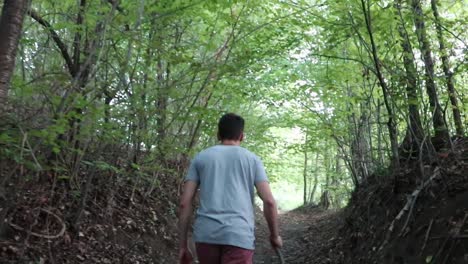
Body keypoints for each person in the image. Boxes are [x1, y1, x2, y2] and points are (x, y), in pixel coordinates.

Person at [178, 113, 282, 264]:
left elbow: (184, 203)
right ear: (242, 136)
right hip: (239, 236)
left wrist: (183, 245)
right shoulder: (252, 160)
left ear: (218, 134)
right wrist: (274, 235)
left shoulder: (200, 158)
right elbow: (269, 202)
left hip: (206, 235)